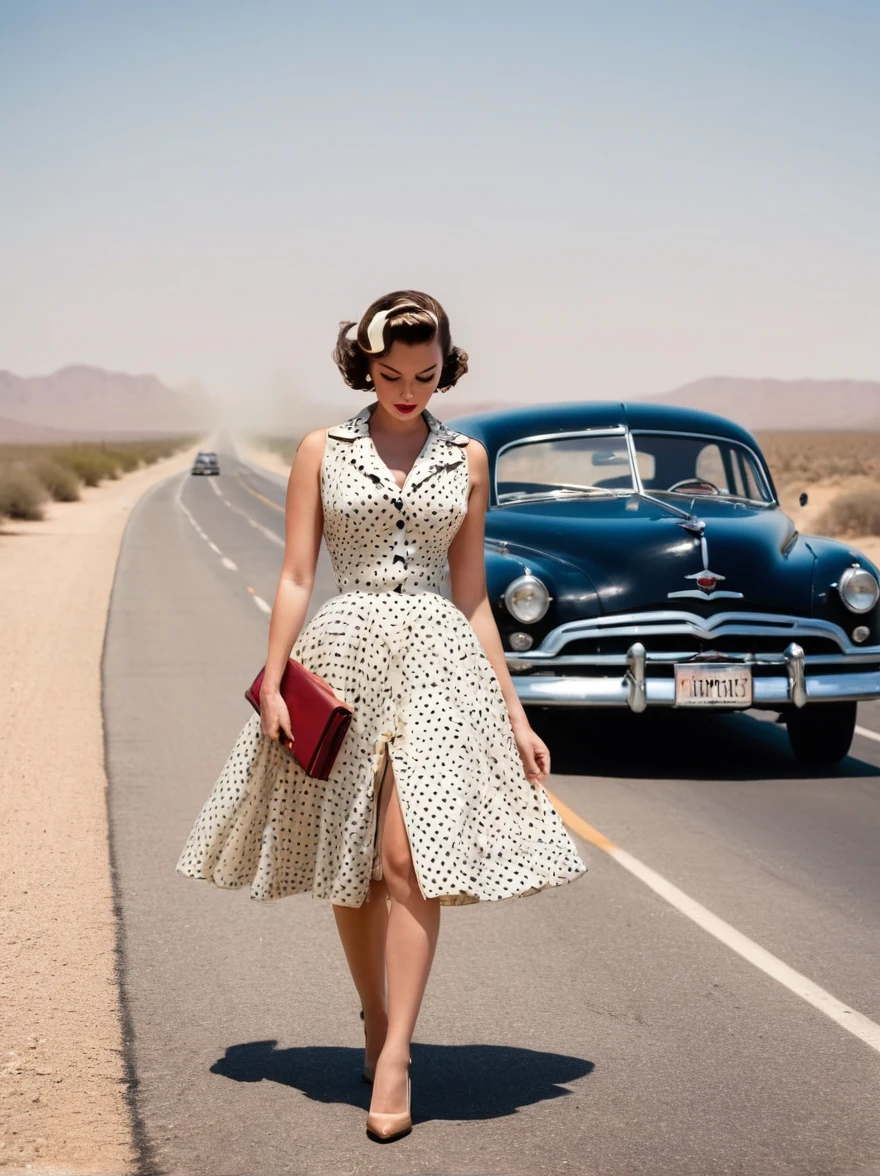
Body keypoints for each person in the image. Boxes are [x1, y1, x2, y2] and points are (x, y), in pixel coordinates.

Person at [175, 290, 587, 1142]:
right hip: (345, 652)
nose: (409, 390)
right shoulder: (321, 450)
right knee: (354, 864)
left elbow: (474, 596)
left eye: (426, 375)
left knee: (408, 857)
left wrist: (515, 715)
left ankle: (397, 1052)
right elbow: (295, 573)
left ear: (447, 366)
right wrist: (279, 682)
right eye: (392, 373)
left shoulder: (468, 458)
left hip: (441, 660)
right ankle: (372, 1012)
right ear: (363, 363)